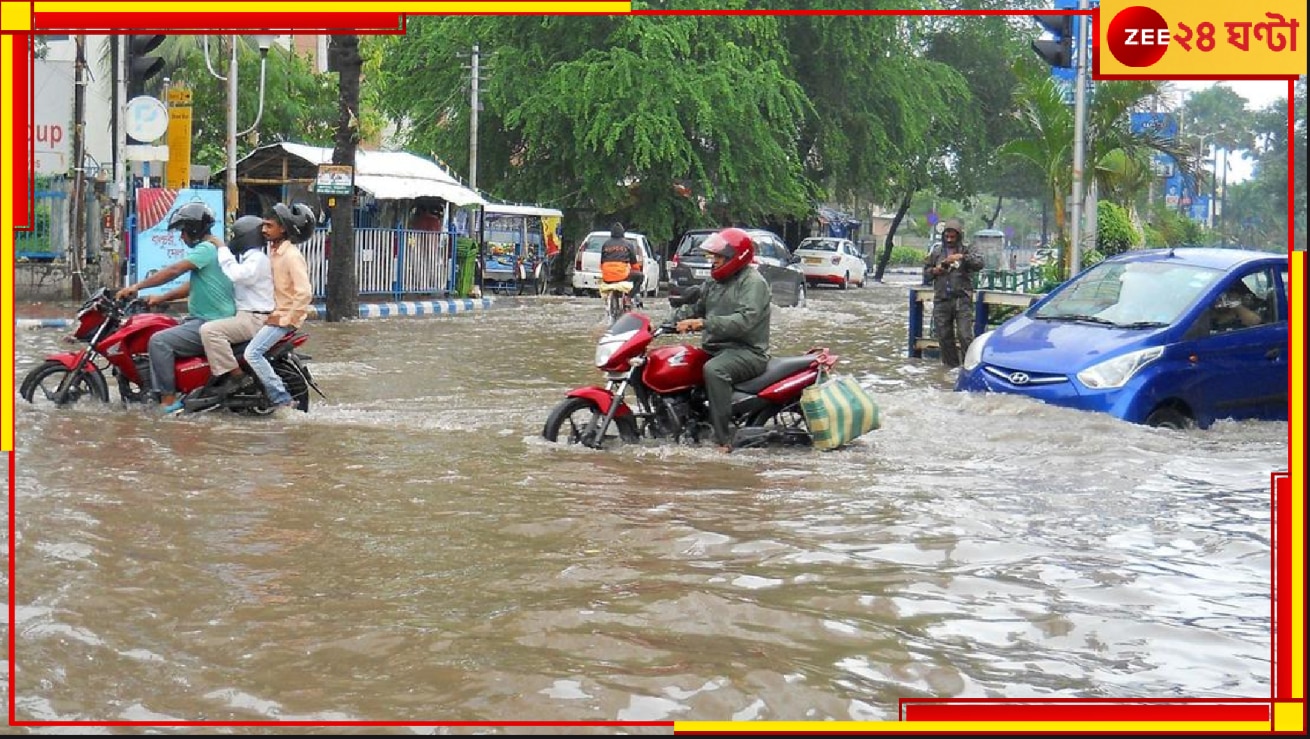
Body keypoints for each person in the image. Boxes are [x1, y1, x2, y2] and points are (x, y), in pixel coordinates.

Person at [116, 202, 235, 413]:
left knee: (159, 342)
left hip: (210, 321)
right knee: (162, 329)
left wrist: (137, 286)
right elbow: (191, 286)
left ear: (193, 229)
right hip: (204, 318)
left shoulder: (206, 249)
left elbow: (174, 270)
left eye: (182, 231)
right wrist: (161, 298)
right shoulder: (213, 250)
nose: (181, 237)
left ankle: (168, 400)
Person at [672, 227, 771, 453]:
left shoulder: (753, 283)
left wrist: (704, 323)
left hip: (748, 352)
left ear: (736, 257)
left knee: (715, 370)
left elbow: (745, 320)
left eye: (718, 257)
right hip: (716, 348)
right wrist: (656, 325)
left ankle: (724, 439)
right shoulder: (714, 282)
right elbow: (694, 309)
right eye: (713, 256)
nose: (713, 261)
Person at [195, 215, 276, 403]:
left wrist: (222, 248)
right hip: (248, 315)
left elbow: (237, 275)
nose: (233, 240)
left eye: (236, 235)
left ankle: (238, 377)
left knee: (210, 331)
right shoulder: (250, 259)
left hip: (254, 318)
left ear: (246, 237)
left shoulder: (257, 259)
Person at [244, 202, 315, 412]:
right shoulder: (273, 252)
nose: (264, 230)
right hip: (271, 314)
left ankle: (281, 397)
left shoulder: (291, 255)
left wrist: (286, 320)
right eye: (263, 226)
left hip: (282, 319)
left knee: (252, 354)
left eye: (269, 226)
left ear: (283, 228)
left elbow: (304, 292)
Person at [923, 219, 984, 369]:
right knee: (944, 336)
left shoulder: (967, 250)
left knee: (965, 335)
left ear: (959, 236)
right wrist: (935, 270)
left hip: (961, 299)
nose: (949, 240)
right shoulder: (936, 252)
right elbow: (926, 273)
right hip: (942, 299)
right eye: (947, 237)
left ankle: (969, 367)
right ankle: (951, 368)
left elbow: (979, 264)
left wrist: (961, 257)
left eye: (953, 237)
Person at [598, 222, 644, 308]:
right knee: (640, 276)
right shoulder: (628, 244)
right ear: (623, 233)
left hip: (607, 277)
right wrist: (636, 270)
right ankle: (628, 298)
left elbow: (601, 264)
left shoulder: (605, 244)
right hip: (622, 276)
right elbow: (634, 263)